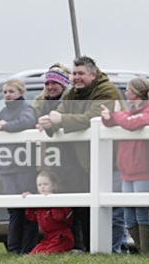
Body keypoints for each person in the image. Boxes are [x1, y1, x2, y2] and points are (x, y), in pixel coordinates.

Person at [36, 56, 125, 252]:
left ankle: (116, 249)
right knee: (88, 208)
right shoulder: (73, 93)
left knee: (114, 210)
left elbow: (90, 118)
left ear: (93, 74)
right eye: (74, 73)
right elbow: (57, 115)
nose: (76, 77)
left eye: (81, 74)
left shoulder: (107, 92)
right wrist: (48, 122)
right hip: (87, 162)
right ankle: (93, 248)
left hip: (113, 161)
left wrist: (59, 119)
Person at [100, 76, 149, 254]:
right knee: (128, 213)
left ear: (137, 92)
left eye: (129, 89)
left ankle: (146, 252)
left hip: (144, 169)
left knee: (141, 210)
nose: (126, 93)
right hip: (127, 169)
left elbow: (132, 123)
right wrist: (108, 117)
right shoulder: (130, 111)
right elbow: (115, 122)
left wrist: (117, 115)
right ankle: (142, 249)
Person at [0, 78, 38, 253]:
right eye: (5, 92)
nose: (7, 95)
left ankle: (27, 248)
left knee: (27, 210)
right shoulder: (5, 111)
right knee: (14, 210)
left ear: (21, 93)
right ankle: (14, 248)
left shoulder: (27, 108)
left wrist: (5, 126)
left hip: (24, 166)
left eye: (11, 92)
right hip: (7, 167)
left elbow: (26, 122)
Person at [22, 171, 74, 254]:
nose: (42, 187)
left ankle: (72, 252)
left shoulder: (60, 200)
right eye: (39, 185)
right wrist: (29, 201)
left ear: (54, 186)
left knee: (49, 253)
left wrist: (52, 201)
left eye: (45, 184)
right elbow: (31, 217)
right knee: (33, 254)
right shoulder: (40, 202)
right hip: (47, 238)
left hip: (62, 237)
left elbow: (59, 218)